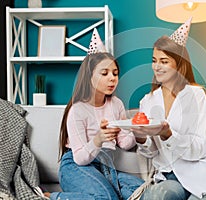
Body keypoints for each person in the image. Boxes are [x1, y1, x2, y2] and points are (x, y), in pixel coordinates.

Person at [131, 18, 206, 200]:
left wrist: (168, 134)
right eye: (154, 60)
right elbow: (152, 152)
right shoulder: (148, 101)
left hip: (205, 168)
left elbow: (199, 148)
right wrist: (140, 137)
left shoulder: (196, 96)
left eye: (164, 61)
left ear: (179, 64)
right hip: (170, 174)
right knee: (157, 196)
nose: (157, 67)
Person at [47, 29, 144, 200]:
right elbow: (80, 159)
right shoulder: (77, 110)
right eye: (104, 73)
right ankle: (54, 197)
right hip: (76, 166)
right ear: (89, 75)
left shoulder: (116, 104)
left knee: (142, 190)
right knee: (106, 198)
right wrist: (98, 139)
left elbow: (126, 144)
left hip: (106, 166)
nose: (112, 78)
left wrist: (134, 129)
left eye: (115, 73)